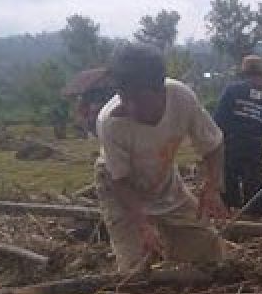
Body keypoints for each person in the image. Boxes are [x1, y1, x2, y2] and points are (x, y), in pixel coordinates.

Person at [94, 43, 228, 275]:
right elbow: (119, 180)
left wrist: (212, 185)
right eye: (124, 98)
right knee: (133, 271)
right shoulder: (110, 122)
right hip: (120, 189)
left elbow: (213, 144)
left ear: (160, 89)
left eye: (138, 99)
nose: (130, 107)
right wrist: (142, 223)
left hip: (163, 180)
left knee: (206, 250)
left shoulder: (182, 98)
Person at [213, 55, 262, 216]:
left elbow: (218, 119)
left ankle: (228, 210)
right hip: (254, 148)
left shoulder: (231, 91)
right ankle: (257, 215)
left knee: (228, 180)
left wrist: (214, 144)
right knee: (255, 184)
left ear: (243, 72)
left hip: (230, 144)